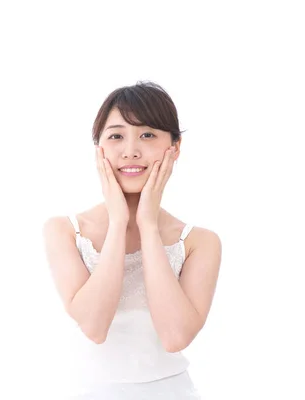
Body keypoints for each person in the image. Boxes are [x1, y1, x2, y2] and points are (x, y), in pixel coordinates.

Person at [42, 81, 222, 399]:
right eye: (116, 136)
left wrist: (148, 226)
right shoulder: (65, 230)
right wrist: (118, 222)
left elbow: (174, 336)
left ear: (175, 147)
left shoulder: (199, 242)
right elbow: (95, 327)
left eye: (148, 134)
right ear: (99, 148)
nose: (130, 151)